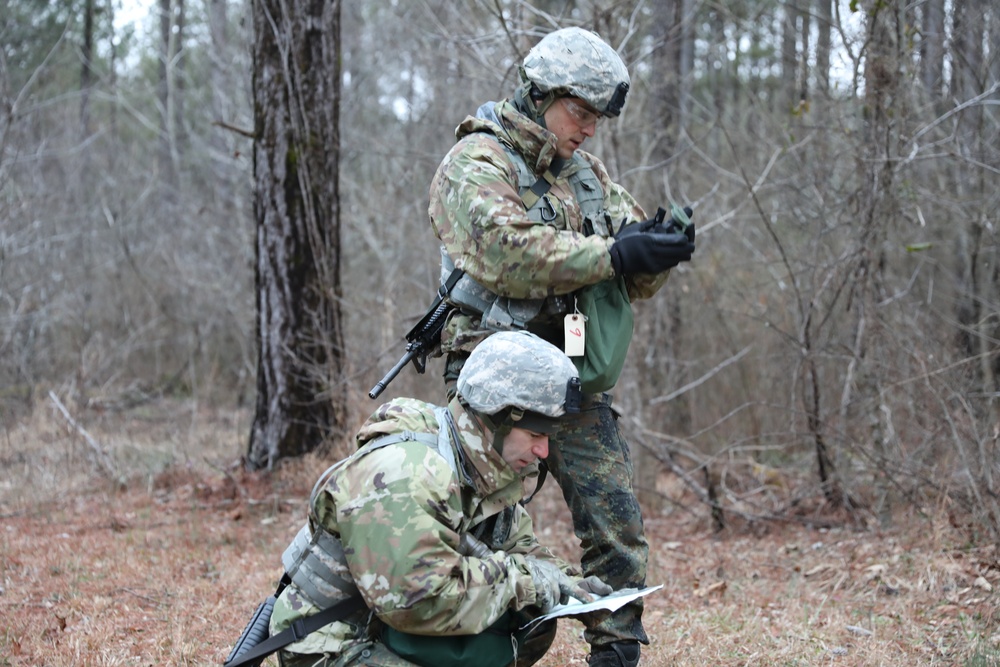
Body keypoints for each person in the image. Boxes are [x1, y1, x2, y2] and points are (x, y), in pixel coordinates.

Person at [428, 26, 696, 667]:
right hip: (492, 372)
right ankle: (461, 645)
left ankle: (616, 650)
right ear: (538, 92)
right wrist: (613, 252)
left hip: (568, 370)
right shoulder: (477, 162)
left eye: (598, 119)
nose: (588, 130)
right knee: (486, 522)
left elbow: (626, 266)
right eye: (580, 113)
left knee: (615, 516)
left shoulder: (586, 177)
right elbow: (505, 253)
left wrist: (658, 248)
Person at [264, 331, 613, 667]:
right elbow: (416, 600)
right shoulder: (408, 470)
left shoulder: (486, 465)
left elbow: (518, 548)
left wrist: (569, 583)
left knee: (531, 623)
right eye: (536, 434)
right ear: (495, 418)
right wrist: (527, 582)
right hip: (336, 641)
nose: (543, 450)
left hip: (386, 626)